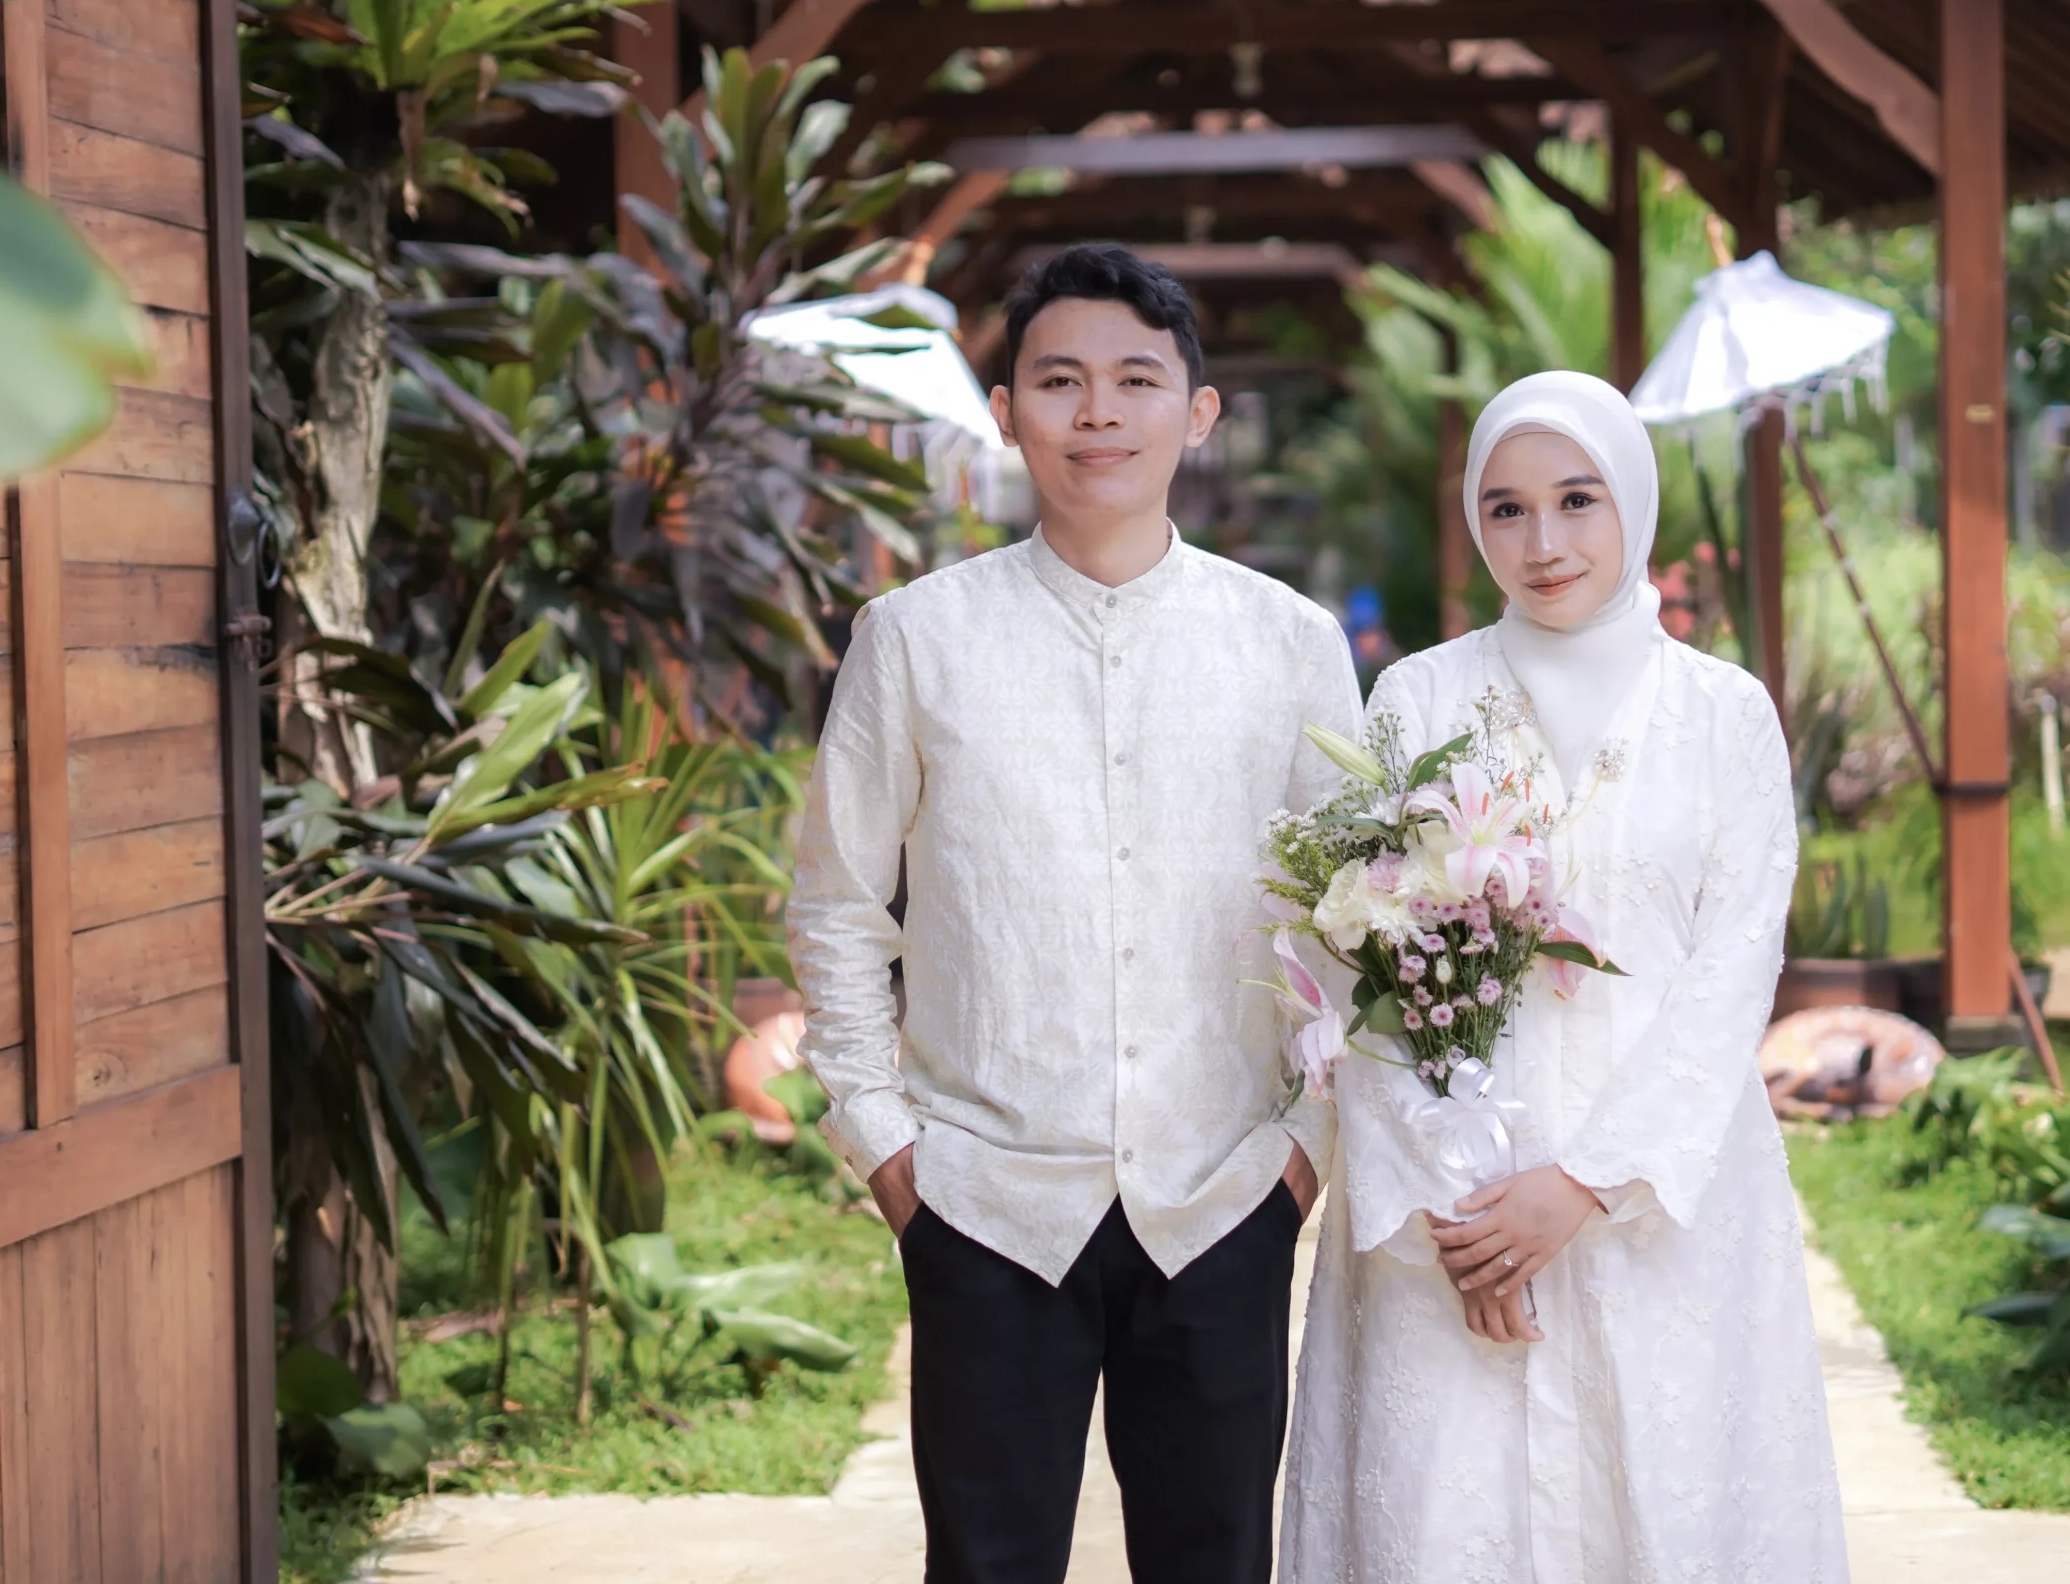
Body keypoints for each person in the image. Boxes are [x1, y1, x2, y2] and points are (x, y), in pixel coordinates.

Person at [790, 244, 1361, 1584]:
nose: (1098, 411)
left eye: (1136, 380)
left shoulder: (1291, 643)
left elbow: (1352, 918)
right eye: (1059, 380)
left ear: (1197, 412)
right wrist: (884, 1145)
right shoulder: (912, 637)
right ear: (1006, 412)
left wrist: (1306, 1148)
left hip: (1223, 1196)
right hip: (982, 1201)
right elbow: (837, 905)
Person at [1280, 370, 1849, 1582]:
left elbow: (1734, 967)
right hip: (1450, 1223)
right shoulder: (1418, 698)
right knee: (1451, 1516)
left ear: (1631, 498)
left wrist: (1584, 1185)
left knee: (1663, 1510)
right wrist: (1469, 1217)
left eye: (1577, 499)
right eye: (1507, 508)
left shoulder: (1724, 714)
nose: (1543, 543)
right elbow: (1362, 955)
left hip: (1662, 1211)